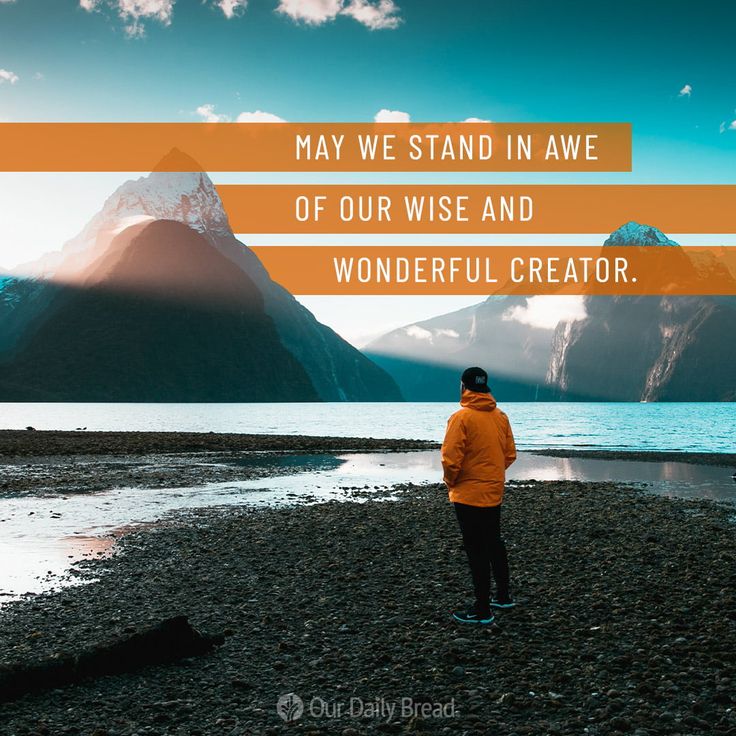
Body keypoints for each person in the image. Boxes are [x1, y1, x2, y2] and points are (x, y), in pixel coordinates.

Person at [441, 367, 517, 624]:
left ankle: (482, 609)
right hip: (493, 490)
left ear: (463, 387)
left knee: (476, 550)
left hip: (468, 494)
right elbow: (509, 454)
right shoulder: (501, 417)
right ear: (485, 387)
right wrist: (492, 475)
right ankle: (503, 596)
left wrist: (452, 483)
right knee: (494, 542)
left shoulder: (460, 418)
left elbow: (451, 460)